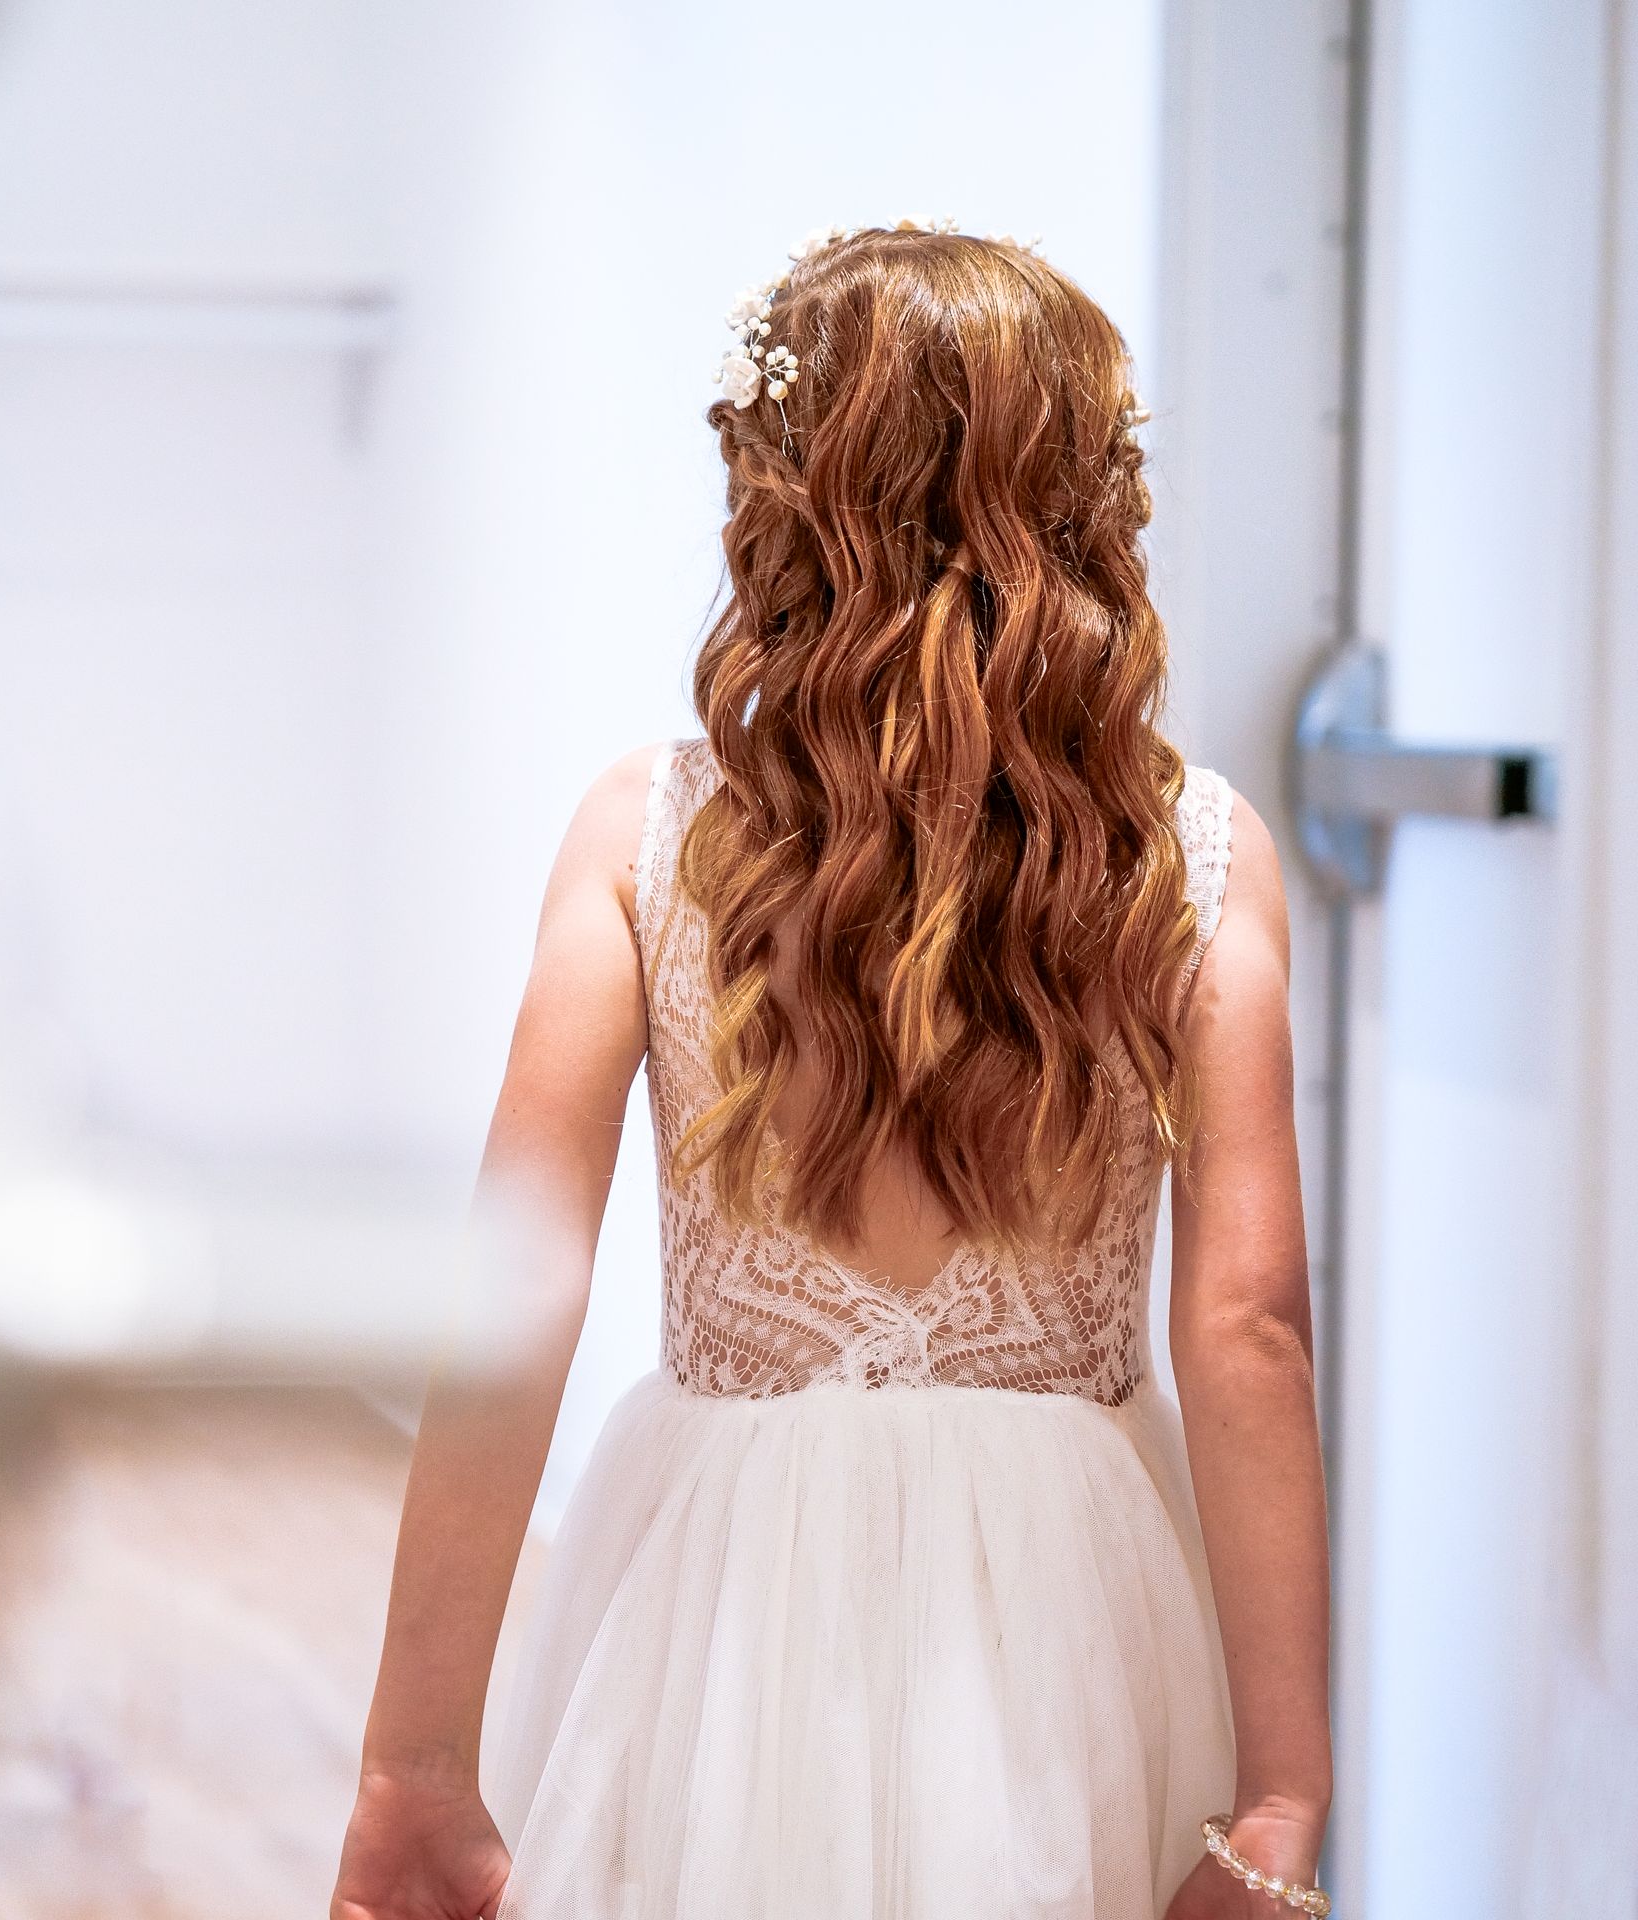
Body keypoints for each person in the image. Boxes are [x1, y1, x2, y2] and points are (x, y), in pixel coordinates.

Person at [332, 221, 1332, 1920]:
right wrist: (1287, 1793)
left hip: (722, 1580)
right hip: (1067, 1602)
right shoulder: (1188, 858)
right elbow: (1246, 1332)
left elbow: (510, 1292)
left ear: (777, 494)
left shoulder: (646, 841)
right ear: (1090, 496)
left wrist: (411, 1766)